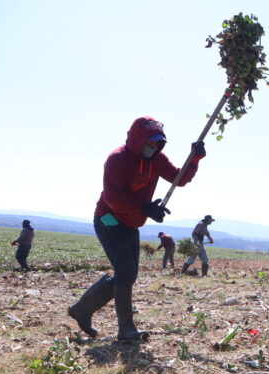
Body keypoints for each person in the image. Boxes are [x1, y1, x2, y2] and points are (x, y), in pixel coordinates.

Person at [68, 116, 206, 341]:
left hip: (132, 223)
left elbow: (178, 179)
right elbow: (113, 198)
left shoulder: (157, 159)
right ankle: (126, 330)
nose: (153, 147)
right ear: (137, 139)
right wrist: (145, 208)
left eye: (157, 143)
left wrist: (195, 159)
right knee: (125, 273)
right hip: (109, 220)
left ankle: (82, 310)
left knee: (127, 275)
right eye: (149, 142)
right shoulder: (117, 159)